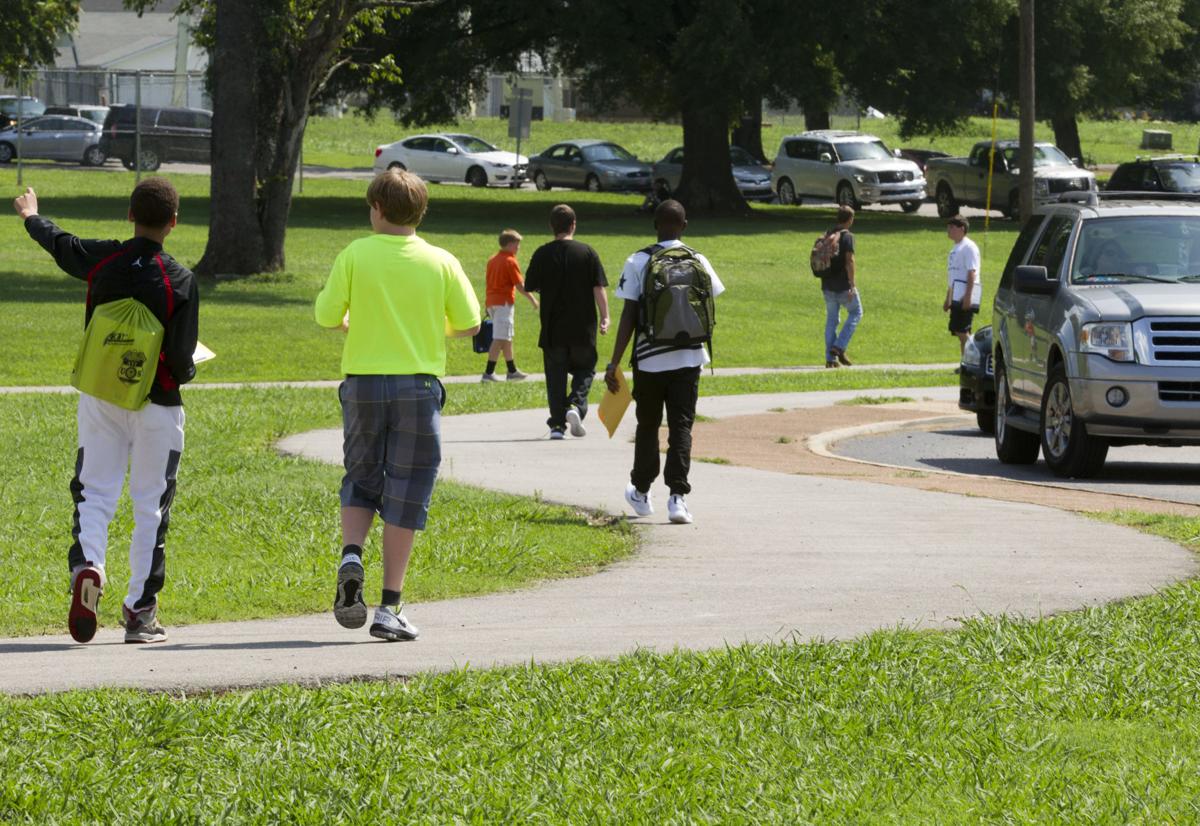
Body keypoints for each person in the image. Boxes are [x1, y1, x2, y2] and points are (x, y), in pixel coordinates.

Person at [14, 179, 199, 644]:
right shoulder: (179, 279)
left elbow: (63, 246)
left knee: (94, 491)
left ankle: (89, 566)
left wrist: (32, 216)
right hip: (157, 404)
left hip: (101, 394)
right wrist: (188, 369)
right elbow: (180, 357)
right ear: (173, 223)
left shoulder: (106, 260)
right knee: (150, 505)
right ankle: (140, 612)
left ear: (129, 215)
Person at [315, 169, 480, 642]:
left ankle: (351, 554)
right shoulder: (441, 260)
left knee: (361, 476)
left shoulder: (355, 254)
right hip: (418, 386)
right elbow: (469, 324)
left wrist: (353, 319)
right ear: (420, 212)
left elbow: (327, 315)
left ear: (378, 210)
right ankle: (390, 607)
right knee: (405, 489)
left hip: (363, 383)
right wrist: (433, 328)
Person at [605, 199, 725, 525]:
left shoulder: (638, 260)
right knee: (681, 426)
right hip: (689, 358)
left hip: (649, 360)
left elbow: (629, 315)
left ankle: (641, 491)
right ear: (684, 225)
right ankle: (678, 498)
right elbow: (711, 297)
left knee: (647, 426)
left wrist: (614, 362)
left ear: (655, 225)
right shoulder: (698, 258)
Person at [523, 204, 610, 439]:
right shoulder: (587, 252)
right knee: (585, 369)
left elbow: (529, 285)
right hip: (583, 327)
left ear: (551, 226)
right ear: (574, 225)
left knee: (555, 376)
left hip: (553, 328)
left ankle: (557, 426)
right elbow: (598, 287)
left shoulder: (542, 253)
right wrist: (605, 316)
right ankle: (575, 405)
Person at [481, 228, 538, 382]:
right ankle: (488, 372)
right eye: (516, 244)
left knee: (507, 338)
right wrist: (532, 299)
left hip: (493, 302)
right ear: (509, 244)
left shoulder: (493, 259)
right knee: (500, 338)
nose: (518, 248)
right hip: (504, 303)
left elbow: (488, 283)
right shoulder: (510, 261)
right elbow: (520, 285)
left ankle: (512, 371)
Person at [819, 205, 862, 368]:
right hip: (843, 285)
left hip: (827, 285)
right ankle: (839, 346)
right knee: (856, 312)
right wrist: (852, 284)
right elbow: (849, 261)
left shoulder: (828, 234)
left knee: (831, 320)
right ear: (850, 220)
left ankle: (830, 360)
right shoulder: (847, 237)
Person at [944, 214, 982, 360]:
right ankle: (965, 362)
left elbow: (971, 273)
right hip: (956, 294)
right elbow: (953, 275)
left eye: (952, 227)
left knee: (962, 331)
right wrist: (948, 298)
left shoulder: (969, 247)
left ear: (962, 228)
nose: (949, 230)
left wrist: (967, 297)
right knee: (959, 331)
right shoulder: (955, 248)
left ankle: (976, 358)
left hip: (965, 295)